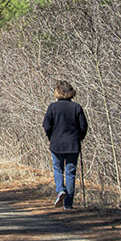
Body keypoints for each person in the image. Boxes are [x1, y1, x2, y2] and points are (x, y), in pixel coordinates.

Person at [42, 80, 89, 210]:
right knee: (70, 173)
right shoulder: (77, 108)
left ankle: (60, 190)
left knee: (58, 169)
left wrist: (51, 136)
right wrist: (79, 138)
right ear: (71, 92)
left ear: (57, 92)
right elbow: (83, 127)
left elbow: (46, 125)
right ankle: (68, 204)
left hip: (56, 144)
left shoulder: (52, 107)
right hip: (73, 144)